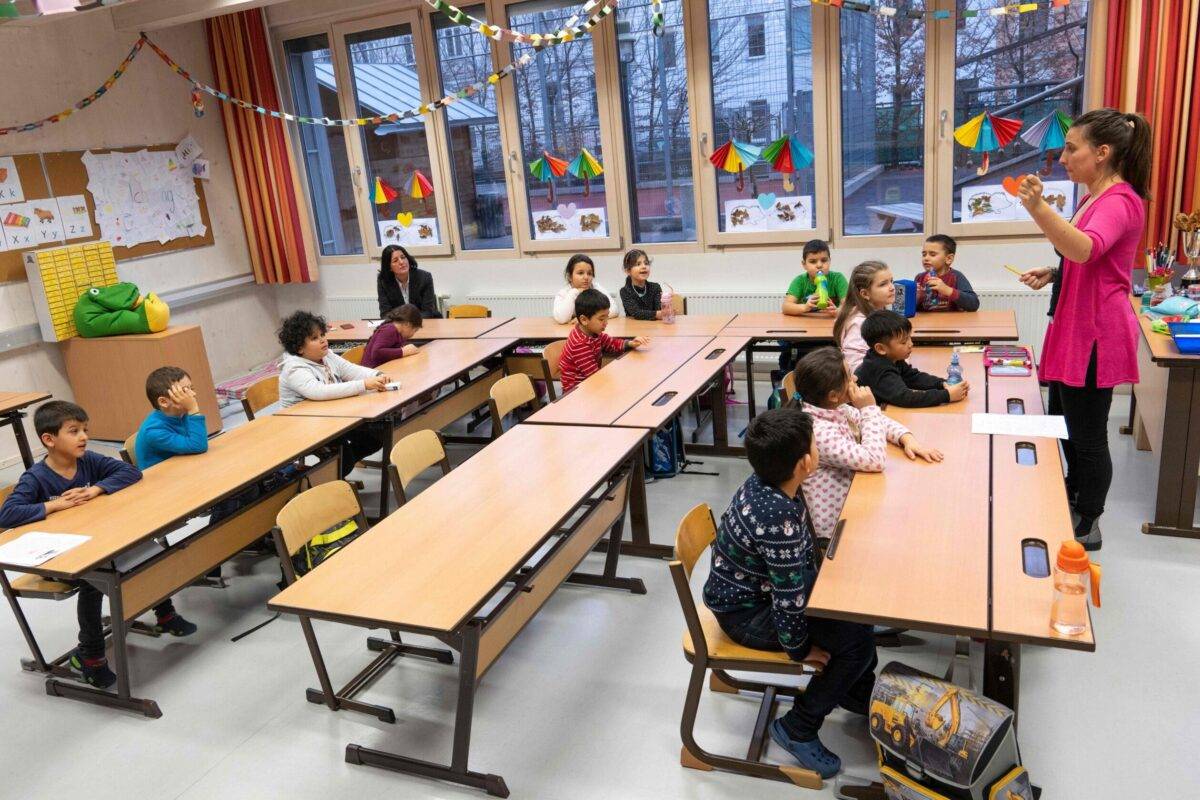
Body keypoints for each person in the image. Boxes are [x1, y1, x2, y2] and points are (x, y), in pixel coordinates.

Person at [702, 407, 876, 779]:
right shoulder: (775, 517)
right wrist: (799, 650)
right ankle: (798, 726)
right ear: (805, 463)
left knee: (858, 615)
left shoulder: (770, 482)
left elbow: (792, 579)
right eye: (816, 444)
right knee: (856, 642)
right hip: (746, 614)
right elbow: (788, 600)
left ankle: (850, 689)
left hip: (758, 594)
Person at [1015, 109, 1151, 551]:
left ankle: (1089, 517)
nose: (1065, 156)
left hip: (1095, 332)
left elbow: (1088, 249)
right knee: (1066, 424)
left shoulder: (1120, 200)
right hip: (1076, 326)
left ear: (1103, 153)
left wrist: (1037, 207)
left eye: (1072, 148)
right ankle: (1071, 496)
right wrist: (1054, 273)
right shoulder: (1094, 197)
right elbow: (1089, 257)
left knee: (1088, 434)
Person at [0, 401, 196, 688]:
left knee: (146, 549)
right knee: (96, 581)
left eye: (85, 430)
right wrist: (54, 506)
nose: (83, 437)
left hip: (97, 541)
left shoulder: (88, 461)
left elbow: (130, 472)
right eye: (74, 431)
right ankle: (89, 657)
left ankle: (164, 613)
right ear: (49, 439)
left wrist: (96, 489)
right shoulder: (36, 477)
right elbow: (7, 514)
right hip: (57, 559)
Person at [794, 347, 942, 539]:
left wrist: (906, 438)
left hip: (856, 494)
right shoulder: (818, 432)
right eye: (849, 377)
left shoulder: (834, 407)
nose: (855, 379)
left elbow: (877, 422)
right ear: (832, 395)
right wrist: (869, 408)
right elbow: (874, 460)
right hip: (836, 523)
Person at [277, 310, 390, 478]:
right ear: (299, 348)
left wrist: (376, 375)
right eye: (315, 338)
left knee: (377, 434)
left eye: (322, 334)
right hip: (303, 426)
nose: (323, 340)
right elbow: (318, 392)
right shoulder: (293, 368)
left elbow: (350, 370)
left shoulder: (326, 355)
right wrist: (363, 384)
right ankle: (323, 480)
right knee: (344, 458)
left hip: (332, 417)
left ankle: (334, 473)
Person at [855, 310, 970, 408]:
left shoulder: (892, 357)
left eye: (910, 337)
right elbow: (905, 398)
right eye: (904, 342)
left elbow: (913, 377)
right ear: (881, 348)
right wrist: (947, 395)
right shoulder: (879, 369)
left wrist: (943, 383)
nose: (911, 344)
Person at [558, 289, 648, 394]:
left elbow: (611, 343)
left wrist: (630, 343)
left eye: (607, 317)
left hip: (590, 383)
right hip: (575, 393)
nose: (606, 323)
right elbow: (595, 376)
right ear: (584, 320)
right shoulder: (579, 344)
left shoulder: (593, 332)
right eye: (601, 319)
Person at [833, 260, 895, 373]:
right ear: (865, 294)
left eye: (891, 281)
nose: (892, 287)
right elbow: (856, 368)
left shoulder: (881, 312)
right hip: (871, 386)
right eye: (883, 284)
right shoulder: (859, 324)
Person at [915, 234, 979, 312]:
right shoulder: (919, 278)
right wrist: (917, 299)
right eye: (924, 254)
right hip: (926, 323)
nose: (926, 258)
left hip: (952, 323)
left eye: (932, 254)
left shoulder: (956, 276)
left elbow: (974, 304)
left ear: (949, 259)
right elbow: (912, 310)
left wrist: (947, 290)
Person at [783, 239, 848, 316]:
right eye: (813, 261)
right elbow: (786, 307)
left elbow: (848, 305)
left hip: (830, 321)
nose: (819, 265)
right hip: (805, 322)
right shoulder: (799, 281)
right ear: (804, 264)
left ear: (829, 261)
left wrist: (838, 311)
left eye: (824, 260)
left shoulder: (838, 279)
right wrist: (805, 307)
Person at [552, 254, 621, 324]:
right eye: (580, 273)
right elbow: (561, 319)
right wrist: (575, 291)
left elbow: (614, 310)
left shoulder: (596, 288)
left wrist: (586, 319)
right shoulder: (564, 293)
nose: (586, 277)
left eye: (589, 273)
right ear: (570, 276)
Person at [376, 244, 441, 318]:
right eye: (395, 260)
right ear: (389, 267)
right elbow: (385, 313)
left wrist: (407, 322)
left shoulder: (424, 277)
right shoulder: (383, 281)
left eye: (403, 257)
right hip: (400, 326)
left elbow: (428, 311)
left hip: (425, 322)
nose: (401, 262)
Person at [362, 304, 422, 369]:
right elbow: (376, 353)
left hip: (382, 369)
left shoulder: (399, 333)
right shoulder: (390, 329)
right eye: (415, 330)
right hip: (372, 372)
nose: (413, 334)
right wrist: (403, 351)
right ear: (408, 324)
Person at [619, 249, 664, 320]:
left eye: (646, 263)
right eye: (638, 264)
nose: (644, 266)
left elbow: (660, 309)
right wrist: (656, 314)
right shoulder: (624, 291)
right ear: (628, 271)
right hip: (634, 328)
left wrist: (666, 303)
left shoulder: (655, 287)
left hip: (654, 327)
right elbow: (636, 313)